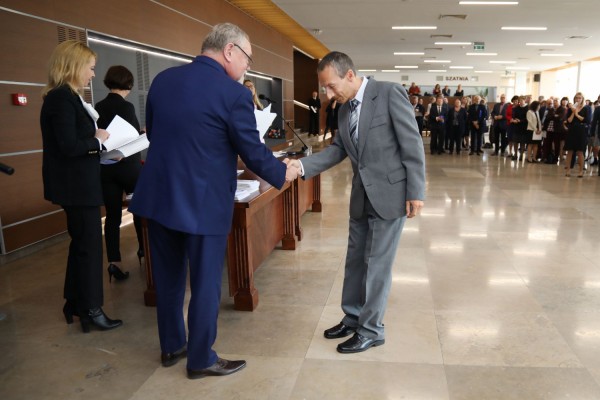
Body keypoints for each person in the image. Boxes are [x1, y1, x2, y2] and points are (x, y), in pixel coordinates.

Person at [128, 23, 298, 379]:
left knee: (168, 278)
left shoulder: (163, 81)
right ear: (230, 50)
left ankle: (172, 345)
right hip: (202, 203)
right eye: (248, 60)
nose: (247, 69)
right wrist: (284, 172)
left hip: (158, 197)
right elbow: (252, 153)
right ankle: (201, 357)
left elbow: (156, 134)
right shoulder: (232, 94)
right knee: (205, 282)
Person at [285, 51, 425, 354]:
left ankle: (372, 329)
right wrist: (301, 166)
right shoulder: (345, 109)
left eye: (331, 85)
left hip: (390, 195)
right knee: (355, 260)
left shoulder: (388, 94)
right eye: (324, 87)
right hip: (361, 196)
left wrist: (416, 191)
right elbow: (338, 149)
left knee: (377, 265)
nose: (327, 93)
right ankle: (353, 317)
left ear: (350, 75)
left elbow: (412, 143)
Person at [40, 40, 122, 333]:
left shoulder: (68, 97)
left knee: (81, 245)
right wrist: (98, 141)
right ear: (74, 66)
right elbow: (68, 145)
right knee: (89, 248)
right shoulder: (61, 99)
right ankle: (91, 309)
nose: (91, 75)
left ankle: (74, 302)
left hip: (78, 184)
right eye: (89, 68)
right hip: (75, 186)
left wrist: (102, 147)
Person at [95, 66, 144, 283]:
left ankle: (113, 263)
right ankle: (144, 251)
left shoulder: (98, 106)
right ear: (129, 84)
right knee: (139, 211)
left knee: (113, 217)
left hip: (106, 168)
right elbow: (132, 137)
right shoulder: (126, 106)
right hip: (129, 167)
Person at [565, 92, 589, 177]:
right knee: (570, 151)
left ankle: (580, 171)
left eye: (579, 98)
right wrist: (573, 112)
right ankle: (568, 170)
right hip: (572, 130)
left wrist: (577, 114)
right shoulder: (570, 109)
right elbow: (569, 121)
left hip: (581, 131)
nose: (578, 99)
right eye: (576, 98)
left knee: (580, 152)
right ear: (574, 99)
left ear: (582, 99)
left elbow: (586, 120)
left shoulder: (586, 108)